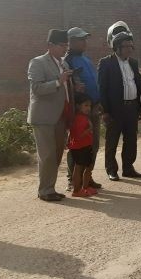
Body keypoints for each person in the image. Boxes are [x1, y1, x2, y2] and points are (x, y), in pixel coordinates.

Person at [27, 29, 73, 202]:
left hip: (61, 115)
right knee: (47, 155)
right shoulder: (37, 63)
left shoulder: (64, 64)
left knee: (57, 153)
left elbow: (66, 89)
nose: (65, 49)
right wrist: (58, 81)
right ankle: (45, 190)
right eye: (62, 46)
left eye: (66, 46)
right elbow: (37, 89)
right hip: (44, 117)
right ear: (50, 45)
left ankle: (50, 187)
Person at [97, 31, 141, 180]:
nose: (130, 49)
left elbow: (138, 83)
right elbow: (102, 89)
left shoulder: (133, 63)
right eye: (126, 46)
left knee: (131, 140)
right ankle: (111, 169)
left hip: (131, 108)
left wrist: (140, 107)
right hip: (115, 109)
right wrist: (104, 111)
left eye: (131, 46)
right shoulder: (106, 63)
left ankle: (128, 168)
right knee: (112, 141)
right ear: (117, 47)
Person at [64, 27, 102, 192]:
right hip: (80, 112)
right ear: (70, 42)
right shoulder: (68, 61)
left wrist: (98, 102)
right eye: (81, 39)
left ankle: (87, 177)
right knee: (77, 146)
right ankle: (73, 180)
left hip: (93, 108)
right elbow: (71, 88)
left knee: (93, 144)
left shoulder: (86, 59)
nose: (84, 42)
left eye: (85, 39)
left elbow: (94, 83)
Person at [68, 93, 98, 197]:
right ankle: (76, 190)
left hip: (86, 146)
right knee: (79, 168)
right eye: (85, 105)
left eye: (89, 106)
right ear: (78, 106)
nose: (88, 108)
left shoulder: (84, 117)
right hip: (79, 147)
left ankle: (86, 187)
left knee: (88, 167)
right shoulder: (79, 119)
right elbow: (78, 136)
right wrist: (89, 129)